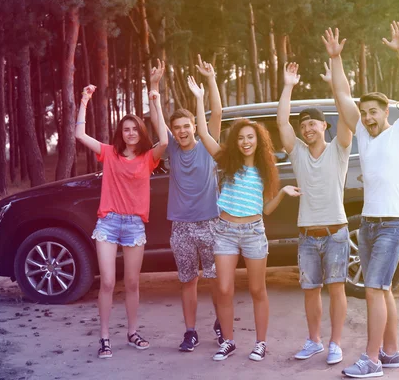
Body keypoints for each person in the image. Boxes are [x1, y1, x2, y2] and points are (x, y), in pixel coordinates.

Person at [325, 22, 399, 378]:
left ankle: (372, 360)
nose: (367, 117)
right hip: (367, 223)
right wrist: (336, 59)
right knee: (382, 291)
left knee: (373, 290)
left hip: (394, 223)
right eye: (364, 113)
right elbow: (341, 94)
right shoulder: (363, 135)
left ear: (386, 113)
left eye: (374, 112)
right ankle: (391, 352)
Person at [187, 75, 300, 362]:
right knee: (223, 288)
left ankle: (260, 343)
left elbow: (266, 210)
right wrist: (201, 97)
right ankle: (228, 340)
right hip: (224, 231)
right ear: (236, 141)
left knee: (256, 288)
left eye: (250, 137)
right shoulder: (226, 162)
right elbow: (203, 132)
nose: (246, 141)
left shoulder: (264, 169)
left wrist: (284, 192)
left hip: (253, 232)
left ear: (258, 141)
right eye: (241, 137)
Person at [74, 82, 168, 359]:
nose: (130, 133)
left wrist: (155, 99)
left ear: (140, 132)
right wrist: (84, 100)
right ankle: (104, 338)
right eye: (125, 129)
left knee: (132, 283)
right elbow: (79, 134)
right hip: (109, 223)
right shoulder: (109, 153)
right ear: (121, 133)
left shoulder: (148, 158)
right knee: (107, 282)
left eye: (135, 129)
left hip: (134, 226)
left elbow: (164, 140)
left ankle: (132, 332)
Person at [276, 61, 354, 365]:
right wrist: (288, 86)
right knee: (310, 290)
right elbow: (282, 123)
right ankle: (314, 341)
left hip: (336, 233)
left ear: (325, 126)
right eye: (303, 124)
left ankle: (336, 343)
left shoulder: (340, 149)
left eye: (313, 122)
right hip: (307, 234)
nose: (307, 127)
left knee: (336, 290)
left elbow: (347, 111)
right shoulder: (297, 153)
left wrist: (335, 80)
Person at [148, 57, 224, 352]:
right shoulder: (173, 152)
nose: (181, 131)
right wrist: (153, 86)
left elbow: (216, 111)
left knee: (217, 281)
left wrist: (210, 80)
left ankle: (221, 325)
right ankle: (191, 332)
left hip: (210, 223)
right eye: (176, 127)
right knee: (188, 280)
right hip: (181, 227)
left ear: (195, 125)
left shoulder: (208, 143)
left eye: (186, 126)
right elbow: (157, 120)